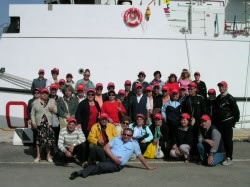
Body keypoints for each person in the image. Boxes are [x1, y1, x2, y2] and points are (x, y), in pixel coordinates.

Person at [69, 128, 156, 180]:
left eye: (128, 135)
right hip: (109, 157)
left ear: (131, 136)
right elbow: (106, 147)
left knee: (100, 166)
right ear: (122, 133)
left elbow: (140, 156)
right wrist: (113, 157)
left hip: (116, 164)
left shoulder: (134, 144)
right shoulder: (117, 138)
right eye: (124, 134)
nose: (126, 136)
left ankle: (79, 173)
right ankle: (90, 166)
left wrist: (147, 167)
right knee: (95, 148)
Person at [215, 81, 240, 166]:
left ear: (226, 87)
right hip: (219, 124)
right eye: (219, 87)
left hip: (227, 123)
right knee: (221, 141)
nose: (221, 88)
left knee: (228, 141)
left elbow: (236, 112)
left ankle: (229, 158)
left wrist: (232, 122)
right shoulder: (218, 98)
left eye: (222, 86)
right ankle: (223, 156)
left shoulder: (230, 98)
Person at [31, 88, 57, 163]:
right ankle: (38, 156)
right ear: (40, 94)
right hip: (39, 125)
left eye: (46, 93)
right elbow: (32, 113)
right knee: (38, 142)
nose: (45, 95)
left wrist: (53, 109)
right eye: (43, 93)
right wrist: (33, 122)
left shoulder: (52, 101)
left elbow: (56, 111)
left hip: (48, 124)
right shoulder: (35, 102)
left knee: (48, 142)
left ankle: (48, 156)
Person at [49, 83, 60, 150]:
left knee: (57, 136)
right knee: (49, 137)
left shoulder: (60, 99)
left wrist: (55, 109)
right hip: (49, 121)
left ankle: (56, 151)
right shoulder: (47, 98)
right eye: (52, 89)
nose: (53, 91)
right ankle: (49, 151)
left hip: (57, 121)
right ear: (50, 90)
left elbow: (61, 111)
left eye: (54, 89)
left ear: (56, 90)